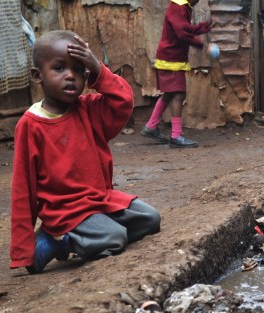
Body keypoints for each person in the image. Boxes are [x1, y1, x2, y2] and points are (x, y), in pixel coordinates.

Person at [10, 30, 161, 274]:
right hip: (66, 211)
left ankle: (82, 235)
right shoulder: (30, 125)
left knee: (151, 219)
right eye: (59, 68)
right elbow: (22, 188)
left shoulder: (88, 109)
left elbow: (123, 101)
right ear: (38, 76)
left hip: (101, 200)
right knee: (115, 238)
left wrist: (98, 69)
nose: (70, 76)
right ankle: (56, 240)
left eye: (79, 70)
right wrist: (22, 248)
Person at [141, 0, 214, 148]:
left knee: (169, 93)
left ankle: (151, 126)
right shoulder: (178, 7)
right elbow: (182, 33)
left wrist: (201, 28)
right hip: (171, 59)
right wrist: (201, 44)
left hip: (172, 58)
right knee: (178, 94)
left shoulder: (181, 7)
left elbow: (184, 29)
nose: (199, 0)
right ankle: (176, 135)